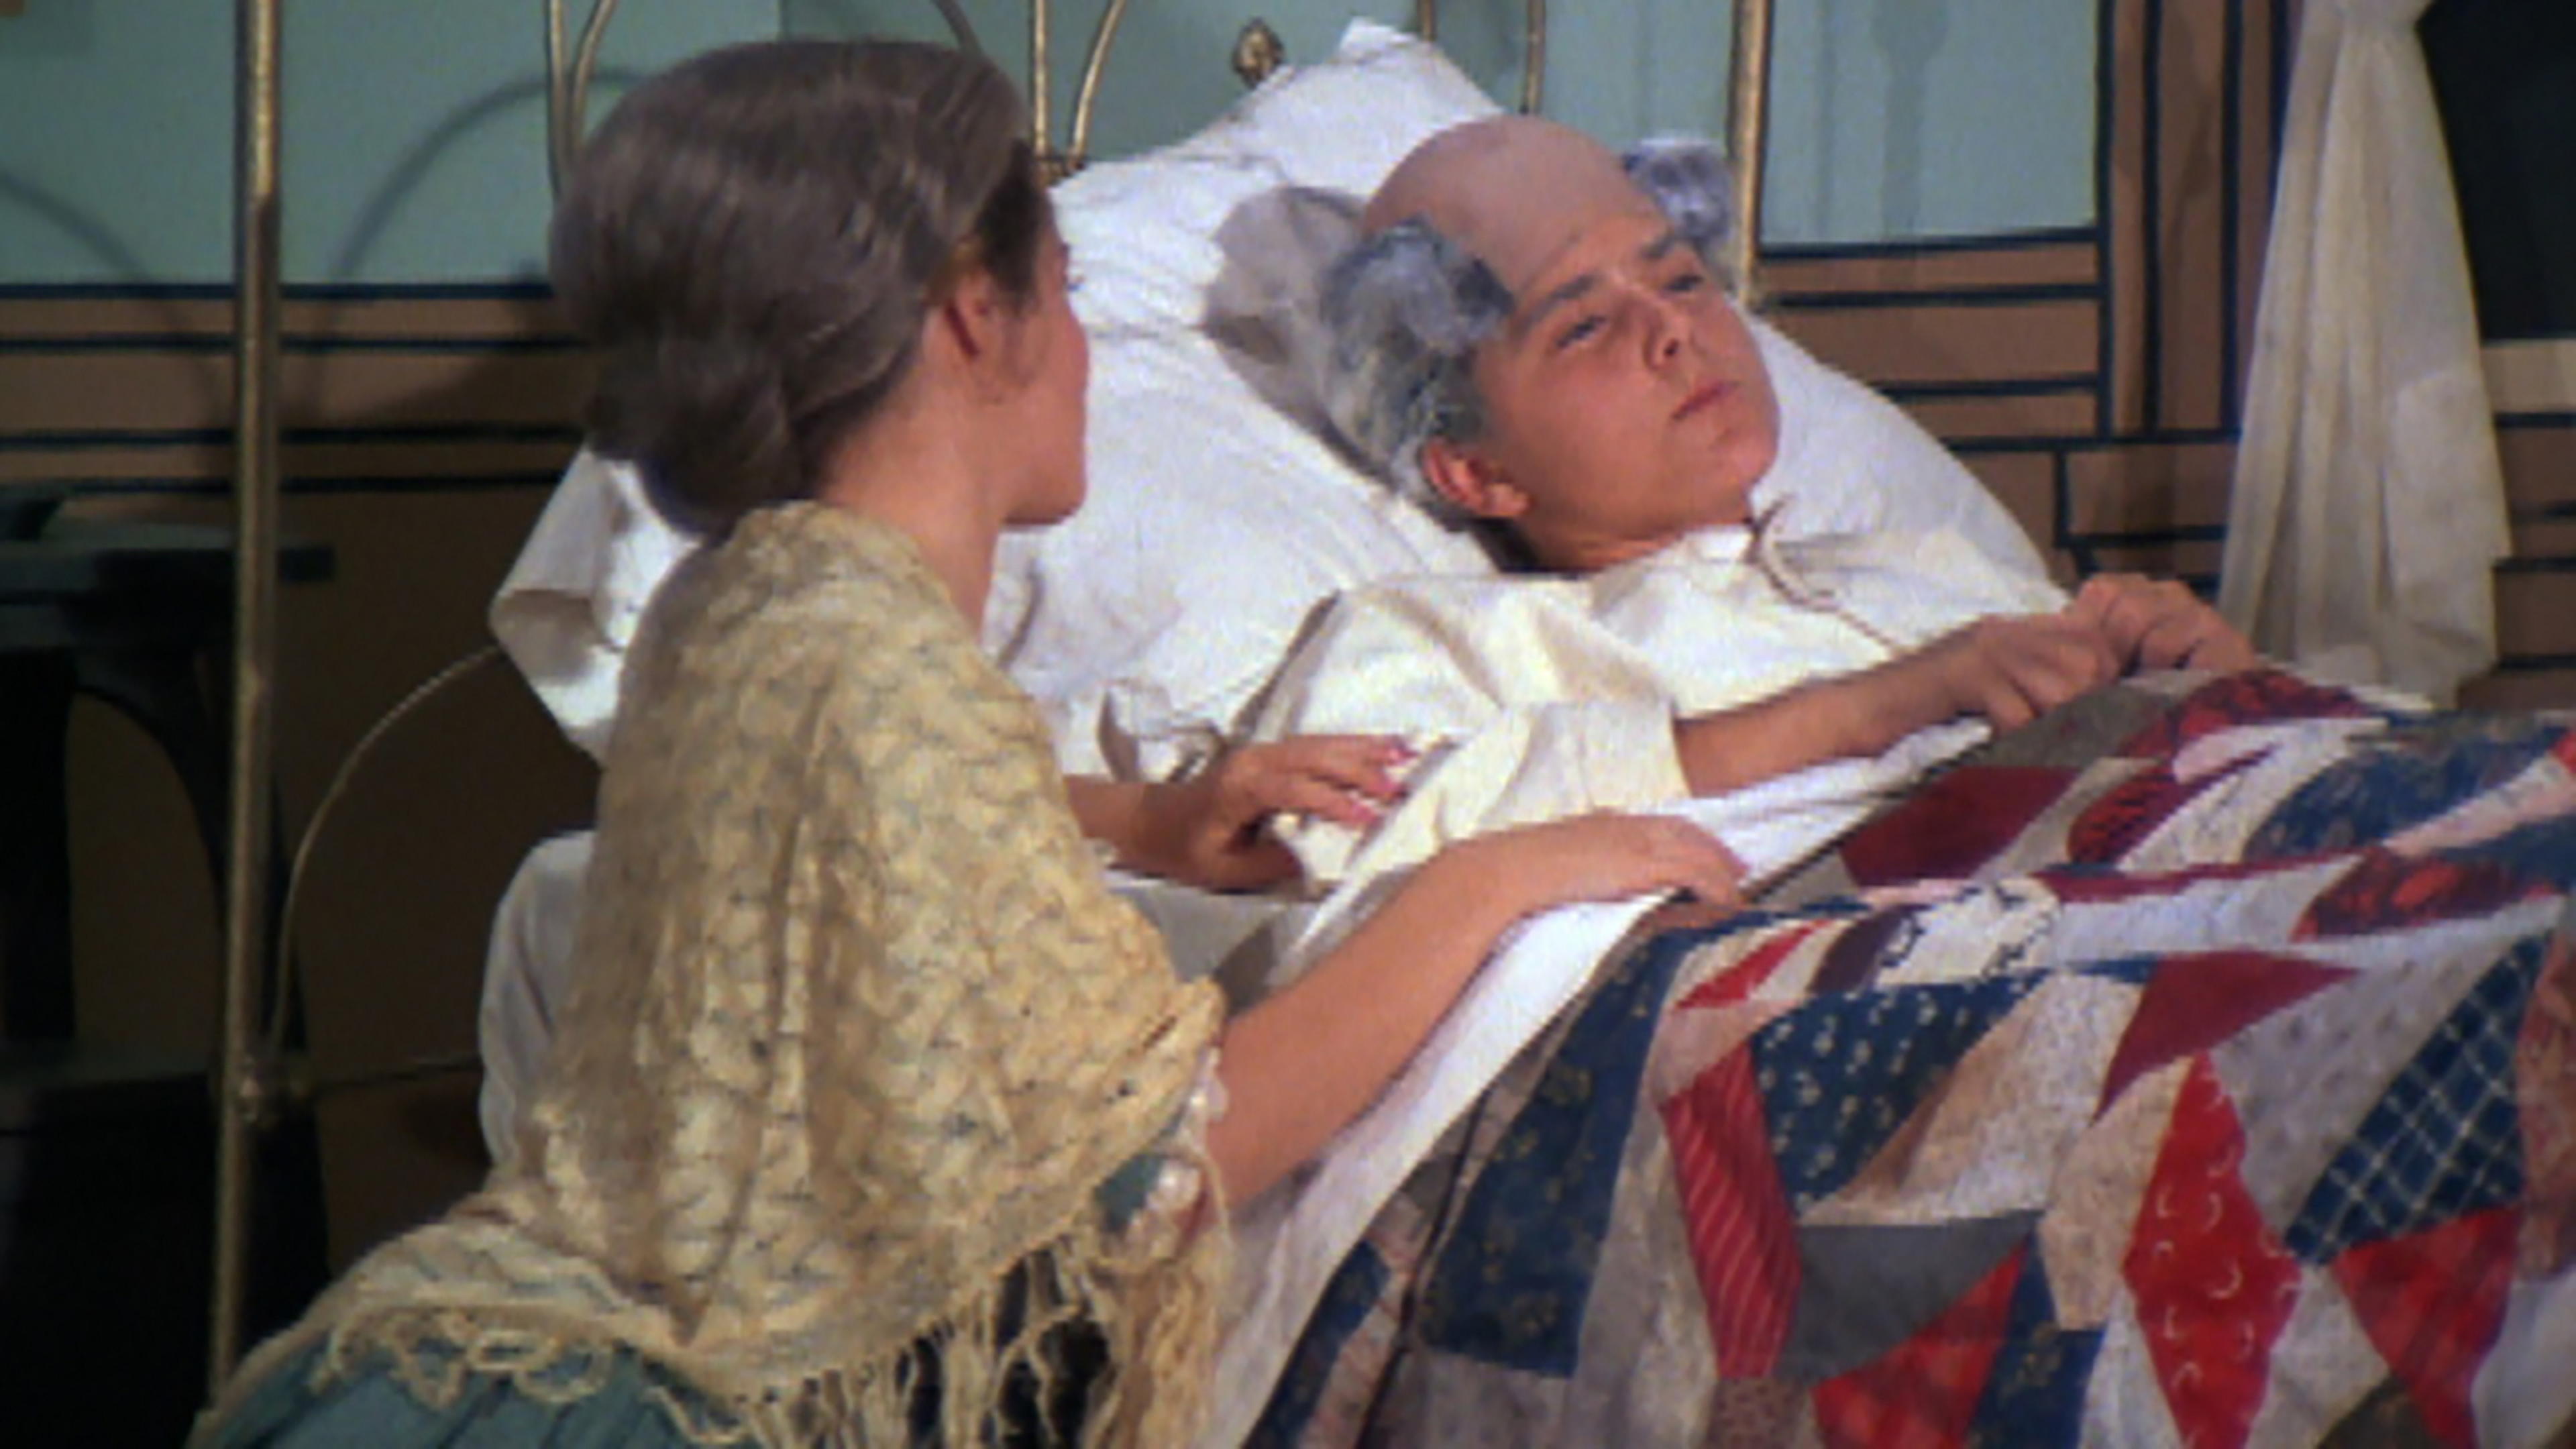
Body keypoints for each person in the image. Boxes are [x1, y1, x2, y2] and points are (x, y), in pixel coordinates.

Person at [195, 42, 1742, 1449]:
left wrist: (1139, 824)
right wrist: (1490, 883)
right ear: (972, 315)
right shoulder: (866, 656)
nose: (1086, 352)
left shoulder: (747, 612)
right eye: (1068, 292)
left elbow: (883, 805)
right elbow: (1155, 1176)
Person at [1255, 114, 2261, 890]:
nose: (1674, 332)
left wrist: (2212, 681)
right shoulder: (1452, 643)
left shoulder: (1929, 572)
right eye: (1584, 326)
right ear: (1473, 472)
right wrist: (1884, 704)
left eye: (1682, 280)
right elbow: (1353, 835)